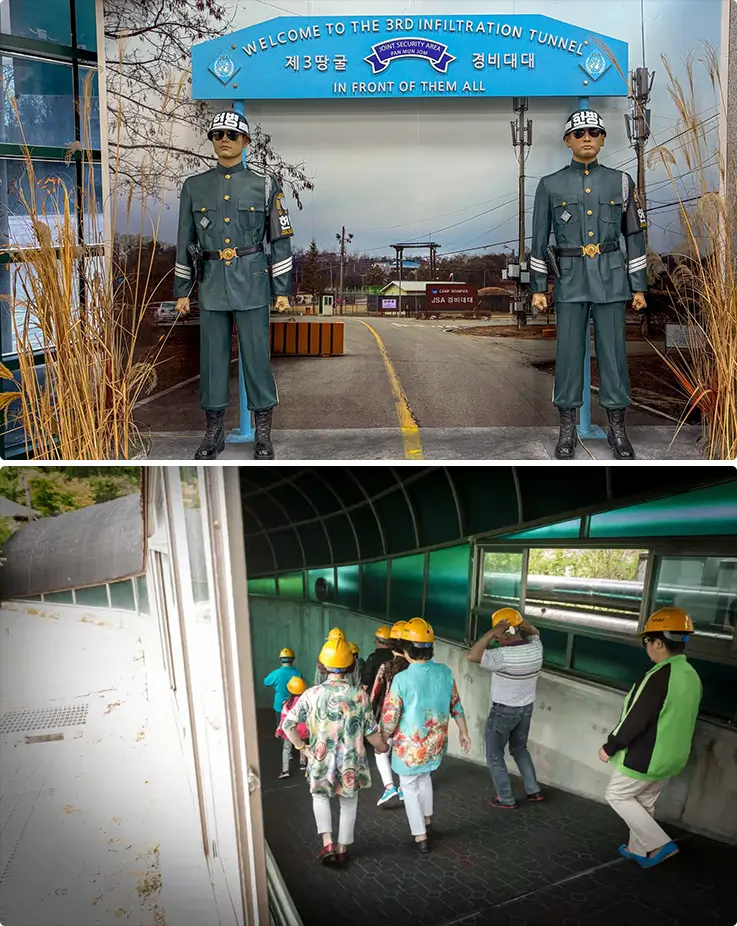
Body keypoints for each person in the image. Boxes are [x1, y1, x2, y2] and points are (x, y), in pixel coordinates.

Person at [174, 110, 294, 462]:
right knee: (212, 361)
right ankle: (214, 433)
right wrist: (182, 290)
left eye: (230, 134)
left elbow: (281, 238)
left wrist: (282, 289)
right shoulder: (194, 187)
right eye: (216, 134)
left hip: (253, 281)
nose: (223, 139)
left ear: (245, 141)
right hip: (212, 284)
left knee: (256, 359)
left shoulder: (266, 184)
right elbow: (185, 239)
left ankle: (263, 434)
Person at [529, 109, 648, 461]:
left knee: (614, 356)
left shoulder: (621, 182)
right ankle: (566, 430)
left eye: (594, 132)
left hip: (612, 277)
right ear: (567, 140)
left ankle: (617, 430)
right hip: (570, 279)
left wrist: (638, 286)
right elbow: (538, 240)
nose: (586, 138)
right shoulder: (550, 185)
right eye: (579, 133)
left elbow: (635, 236)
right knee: (567, 356)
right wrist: (539, 287)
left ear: (603, 139)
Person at [600, 607, 702, 868]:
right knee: (644, 802)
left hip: (646, 757)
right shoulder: (691, 675)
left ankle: (658, 844)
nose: (647, 646)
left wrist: (610, 746)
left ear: (658, 642)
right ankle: (639, 850)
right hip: (673, 757)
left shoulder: (658, 676)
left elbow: (637, 719)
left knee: (617, 795)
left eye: (647, 641)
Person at [283, 635, 388, 866]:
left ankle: (327, 843)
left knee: (320, 797)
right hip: (351, 761)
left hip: (320, 758)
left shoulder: (311, 694)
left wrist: (303, 749)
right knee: (348, 802)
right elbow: (371, 732)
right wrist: (382, 746)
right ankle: (342, 848)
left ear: (322, 665)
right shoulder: (359, 696)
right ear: (351, 665)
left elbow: (287, 725)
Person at [381, 618, 471, 854]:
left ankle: (420, 835)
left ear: (406, 650)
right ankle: (428, 820)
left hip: (410, 748)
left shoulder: (402, 679)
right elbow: (456, 706)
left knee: (409, 785)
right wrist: (464, 732)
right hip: (435, 743)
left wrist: (381, 740)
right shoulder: (445, 672)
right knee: (424, 777)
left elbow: (390, 718)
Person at [468, 608, 545, 809]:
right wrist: (523, 625)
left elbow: (473, 655)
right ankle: (533, 790)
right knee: (520, 749)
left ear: (505, 634)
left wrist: (491, 633)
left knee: (494, 756)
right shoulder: (536, 648)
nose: (497, 641)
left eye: (498, 637)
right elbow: (535, 633)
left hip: (503, 712)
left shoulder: (502, 656)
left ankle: (506, 798)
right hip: (526, 709)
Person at [370, 620, 409, 807]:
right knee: (401, 752)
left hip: (389, 718)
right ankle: (403, 787)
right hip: (409, 719)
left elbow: (374, 694)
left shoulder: (386, 667)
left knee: (380, 751)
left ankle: (389, 787)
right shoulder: (412, 667)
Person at [276, 676, 309, 779]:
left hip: (290, 732)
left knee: (286, 749)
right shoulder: (307, 702)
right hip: (305, 731)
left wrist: (279, 731)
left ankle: (285, 770)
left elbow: (284, 719)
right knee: (302, 745)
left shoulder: (287, 704)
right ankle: (303, 764)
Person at [264, 647, 303, 729]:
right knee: (294, 727)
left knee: (280, 727)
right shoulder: (297, 673)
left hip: (279, 705)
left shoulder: (276, 673)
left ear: (281, 660)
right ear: (292, 660)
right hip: (293, 705)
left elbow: (266, 682)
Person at [361, 625, 394, 692]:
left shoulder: (373, 658)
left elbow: (366, 681)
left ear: (378, 641)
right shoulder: (394, 657)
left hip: (374, 694)